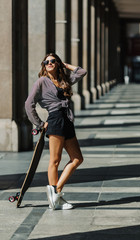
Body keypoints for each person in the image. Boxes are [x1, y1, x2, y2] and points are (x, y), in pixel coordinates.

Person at [25, 53, 87, 210]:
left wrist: (65, 65)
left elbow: (81, 72)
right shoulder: (41, 82)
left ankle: (56, 191)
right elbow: (28, 104)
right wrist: (39, 124)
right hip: (55, 120)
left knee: (77, 158)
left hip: (66, 121)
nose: (49, 63)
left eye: (53, 61)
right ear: (44, 65)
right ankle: (55, 196)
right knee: (55, 160)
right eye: (46, 61)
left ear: (57, 63)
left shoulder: (63, 81)